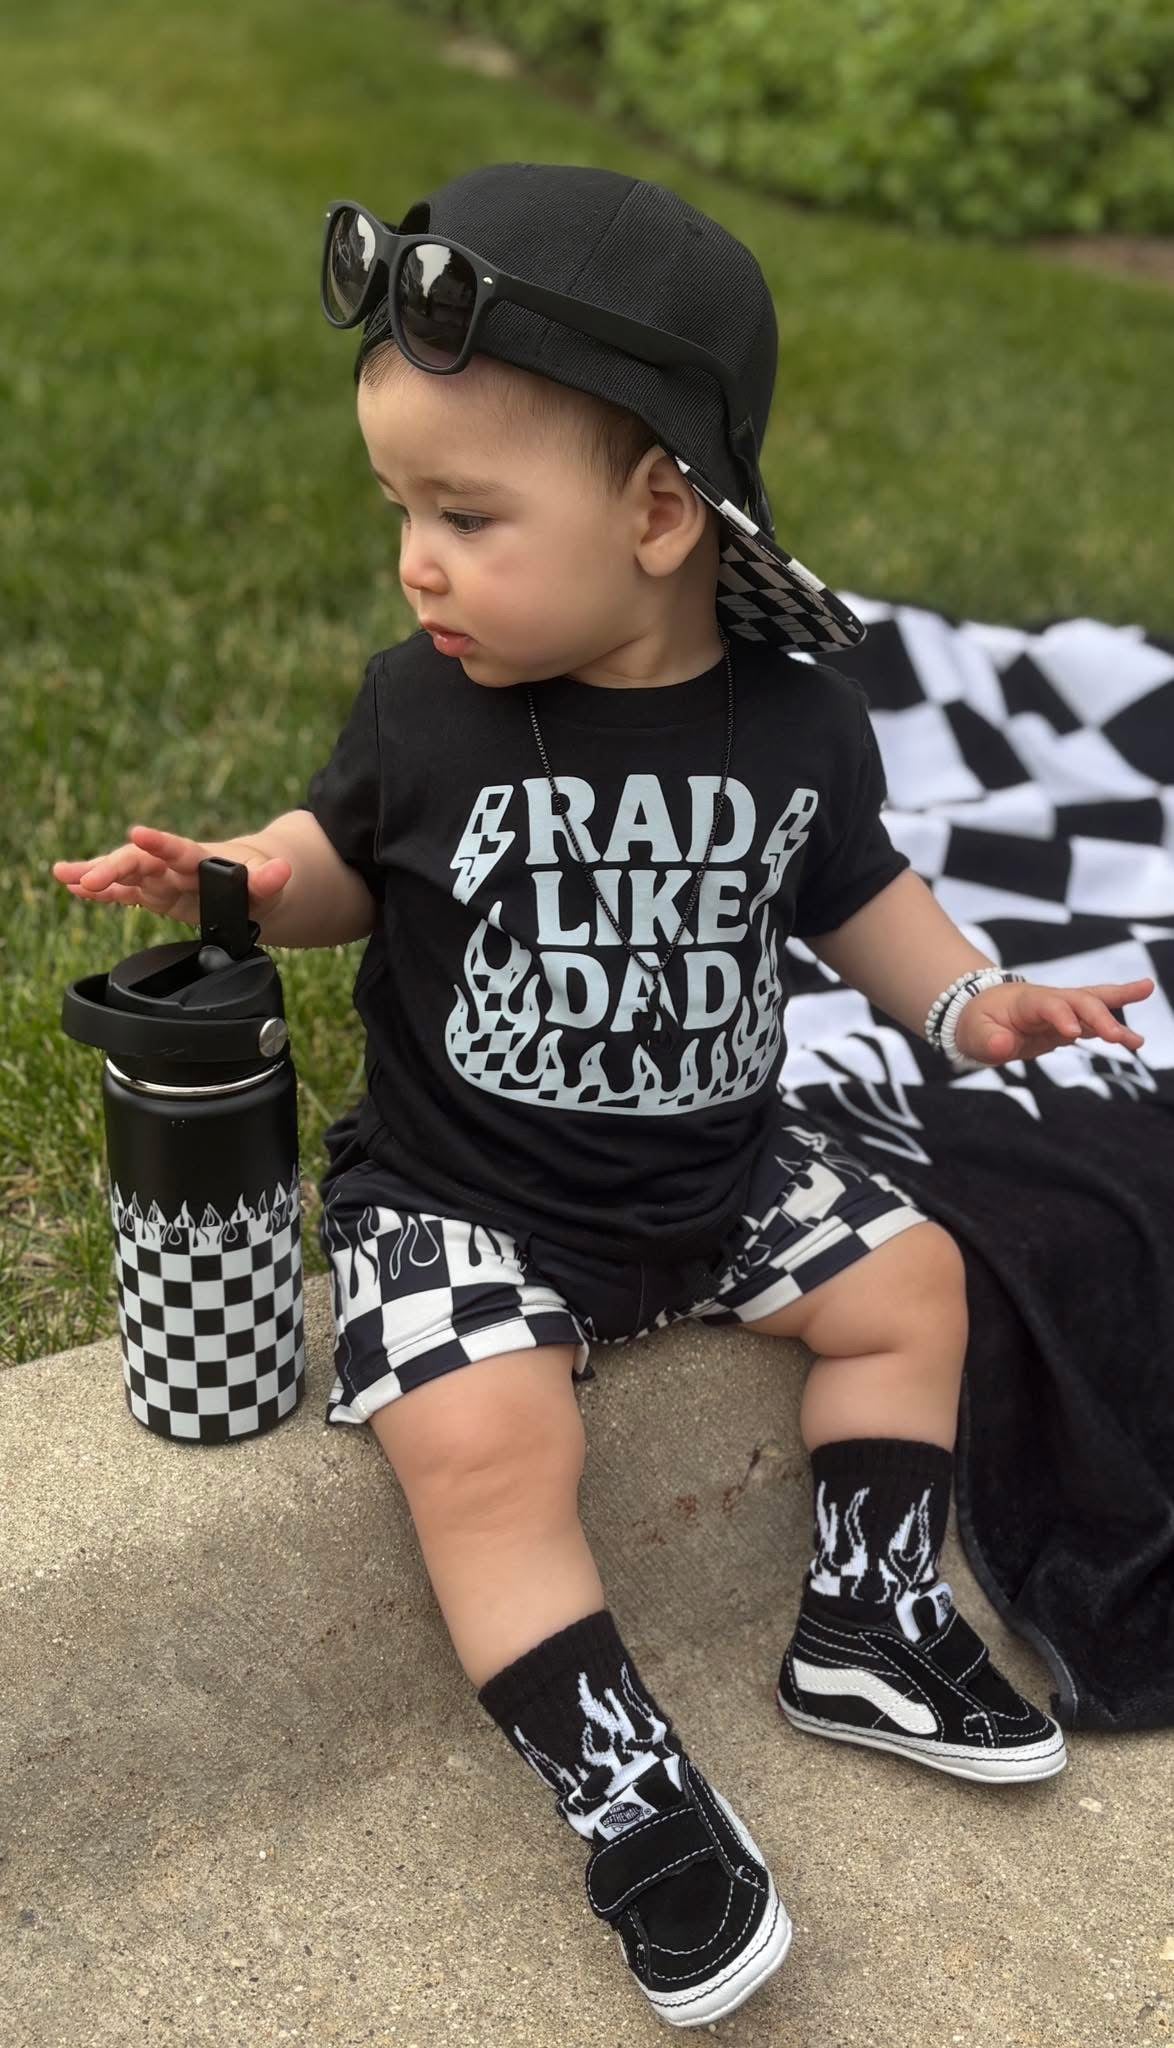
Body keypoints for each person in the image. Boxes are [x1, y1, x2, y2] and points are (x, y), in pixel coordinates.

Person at [53, 163, 1154, 2029]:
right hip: (463, 1198)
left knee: (910, 1286)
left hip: (719, 1173)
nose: (416, 562)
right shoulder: (424, 709)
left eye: (466, 515)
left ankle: (866, 1617)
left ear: (658, 513)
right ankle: (622, 1783)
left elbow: (860, 896)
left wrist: (974, 1002)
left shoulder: (798, 722)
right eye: (402, 509)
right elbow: (336, 868)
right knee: (482, 1444)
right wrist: (235, 880)